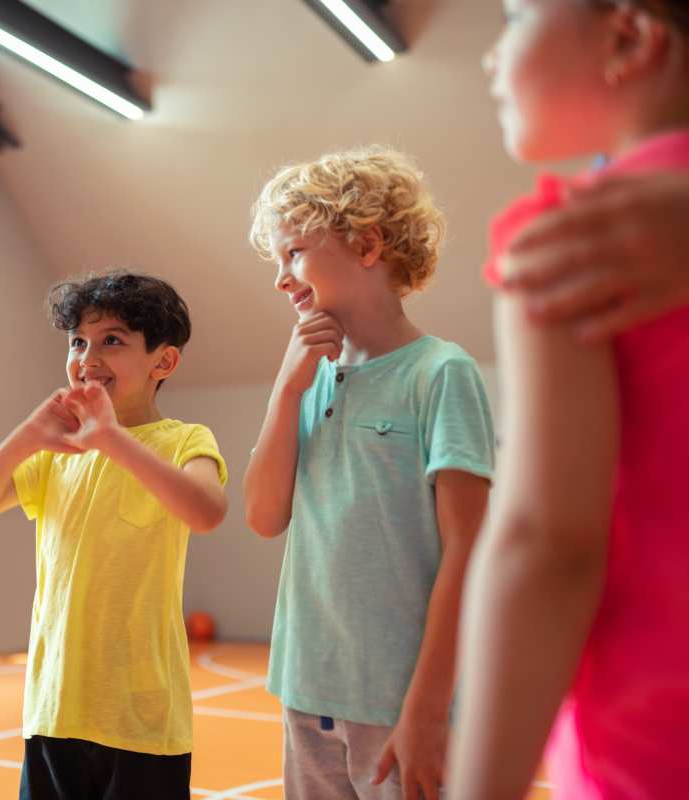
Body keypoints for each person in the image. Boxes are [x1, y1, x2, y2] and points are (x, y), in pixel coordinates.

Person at [450, 2, 689, 797]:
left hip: (650, 749)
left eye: (515, 16)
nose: (490, 58)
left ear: (627, 37)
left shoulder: (570, 245)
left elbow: (546, 545)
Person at [244, 147, 494, 800]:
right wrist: (284, 394)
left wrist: (429, 706)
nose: (281, 278)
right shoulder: (306, 381)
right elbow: (264, 517)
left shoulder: (441, 374)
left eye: (293, 252)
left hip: (401, 703)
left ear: (367, 244)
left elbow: (469, 551)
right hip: (306, 691)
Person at [0, 271, 228, 800]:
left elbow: (207, 510)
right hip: (54, 709)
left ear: (163, 362)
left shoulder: (185, 440)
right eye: (78, 341)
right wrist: (28, 436)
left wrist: (111, 440)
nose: (88, 357)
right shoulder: (61, 455)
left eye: (112, 341)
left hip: (142, 720)